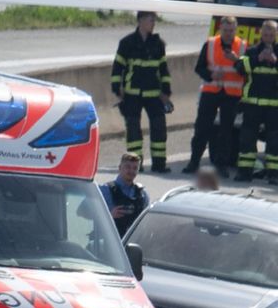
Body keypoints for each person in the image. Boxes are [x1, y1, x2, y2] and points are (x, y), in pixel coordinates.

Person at [111, 11, 173, 173]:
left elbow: (163, 69)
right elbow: (117, 67)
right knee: (133, 131)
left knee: (159, 129)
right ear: (140, 21)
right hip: (132, 94)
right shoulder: (127, 43)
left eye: (154, 20)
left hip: (153, 94)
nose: (153, 23)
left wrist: (166, 91)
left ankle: (159, 164)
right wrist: (117, 89)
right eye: (150, 20)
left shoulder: (158, 43)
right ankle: (135, 165)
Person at [187, 16, 245, 177]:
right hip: (211, 91)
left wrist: (236, 60)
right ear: (220, 29)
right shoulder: (210, 44)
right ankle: (194, 161)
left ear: (236, 29)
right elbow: (199, 68)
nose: (228, 33)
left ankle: (222, 165)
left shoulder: (242, 47)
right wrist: (211, 74)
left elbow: (246, 72)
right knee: (202, 129)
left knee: (226, 132)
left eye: (231, 30)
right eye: (225, 30)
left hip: (231, 95)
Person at [234, 19, 278, 184]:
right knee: (247, 139)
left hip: (274, 106)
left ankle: (274, 174)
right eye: (266, 34)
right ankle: (244, 172)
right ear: (261, 34)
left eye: (272, 34)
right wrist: (258, 58)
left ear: (276, 35)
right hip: (252, 104)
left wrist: (275, 61)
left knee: (275, 142)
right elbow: (238, 68)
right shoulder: (252, 51)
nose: (268, 37)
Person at [100, 152, 150, 237]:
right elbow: (83, 212)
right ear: (120, 168)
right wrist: (109, 216)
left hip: (134, 242)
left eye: (135, 168)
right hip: (109, 242)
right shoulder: (106, 190)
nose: (131, 171)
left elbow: (148, 220)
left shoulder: (142, 194)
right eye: (128, 167)